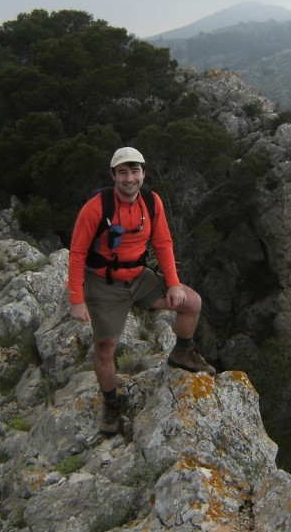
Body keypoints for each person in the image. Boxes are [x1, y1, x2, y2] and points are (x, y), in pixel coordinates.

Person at [68, 146, 213, 436]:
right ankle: (111, 404)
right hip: (105, 284)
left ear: (143, 173)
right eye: (123, 172)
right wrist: (77, 299)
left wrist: (172, 283)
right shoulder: (96, 208)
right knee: (105, 348)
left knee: (192, 302)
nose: (130, 178)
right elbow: (77, 254)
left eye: (135, 171)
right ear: (113, 176)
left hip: (139, 278)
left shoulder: (152, 202)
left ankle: (182, 353)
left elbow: (163, 243)